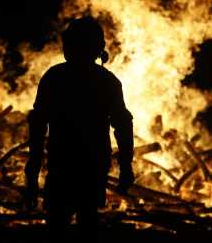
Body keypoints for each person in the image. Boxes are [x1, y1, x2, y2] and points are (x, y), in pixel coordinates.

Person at [24, 17, 135, 239]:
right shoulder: (107, 81)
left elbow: (38, 127)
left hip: (62, 167)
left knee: (57, 226)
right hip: (92, 168)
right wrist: (125, 166)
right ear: (99, 49)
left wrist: (33, 177)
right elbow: (123, 124)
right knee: (88, 224)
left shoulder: (54, 77)